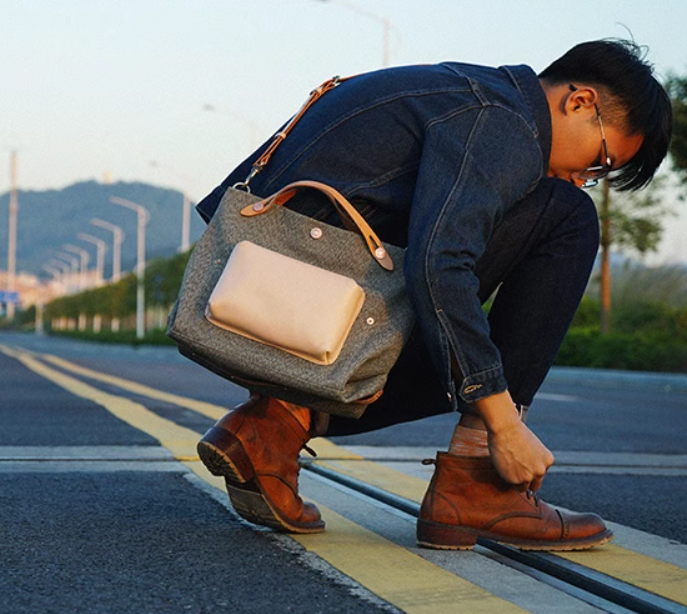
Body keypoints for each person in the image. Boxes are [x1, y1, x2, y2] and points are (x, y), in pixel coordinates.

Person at [193, 39, 672, 550]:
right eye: (600, 161)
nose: (585, 178)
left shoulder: (462, 91)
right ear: (579, 102)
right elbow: (438, 264)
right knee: (566, 218)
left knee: (473, 318)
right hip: (309, 316)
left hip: (257, 296)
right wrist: (502, 427)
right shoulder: (502, 121)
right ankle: (477, 480)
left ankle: (274, 425)